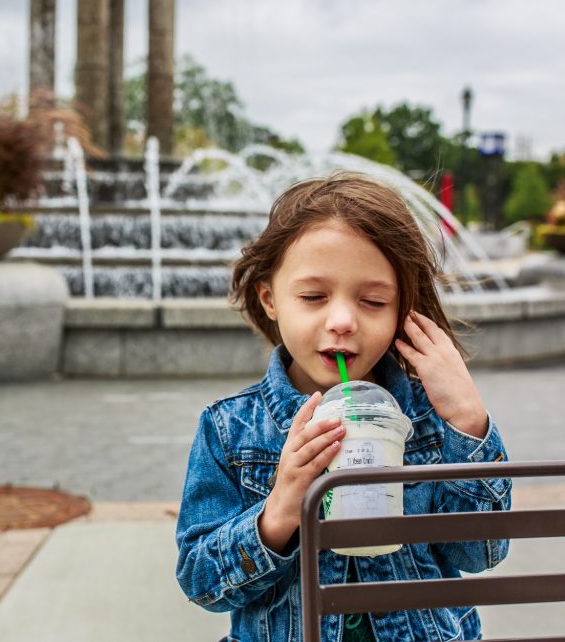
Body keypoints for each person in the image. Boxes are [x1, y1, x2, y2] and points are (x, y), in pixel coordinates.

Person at [175, 172, 511, 641]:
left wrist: (469, 423)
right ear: (270, 299)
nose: (341, 321)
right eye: (313, 297)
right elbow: (201, 583)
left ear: (401, 309)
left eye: (373, 301)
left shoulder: (430, 417)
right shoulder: (231, 429)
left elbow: (483, 553)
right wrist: (280, 512)